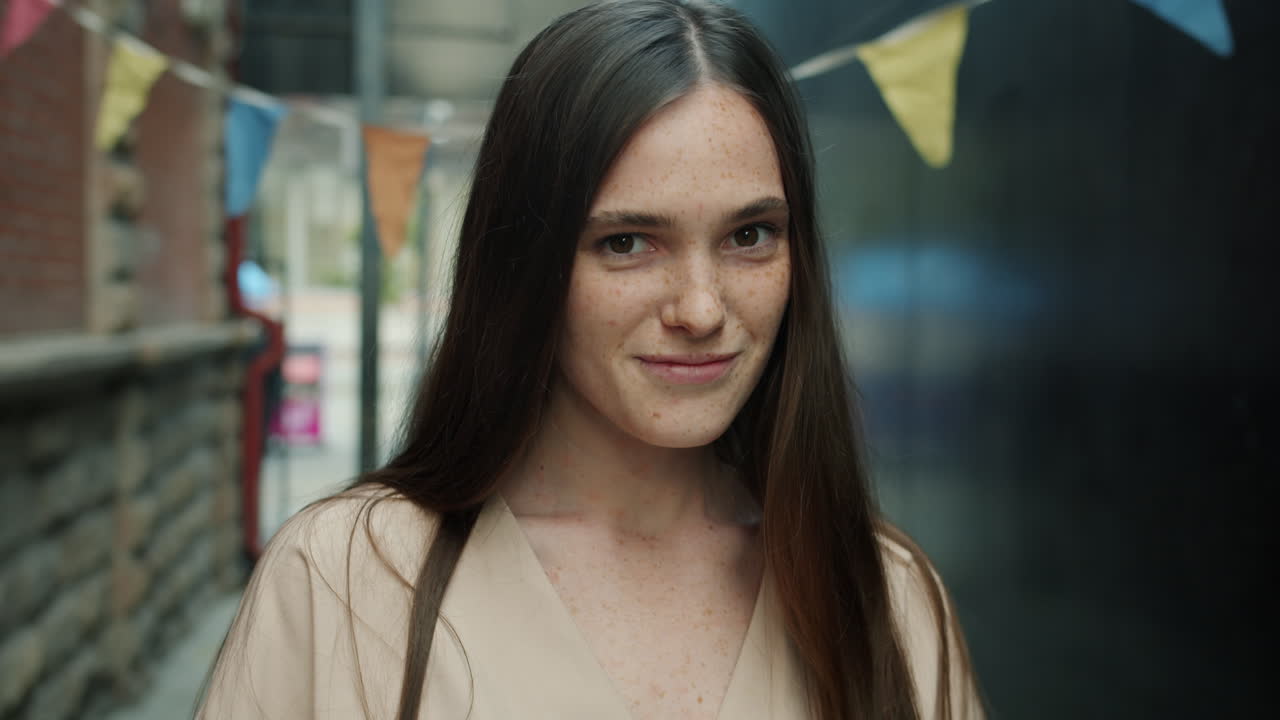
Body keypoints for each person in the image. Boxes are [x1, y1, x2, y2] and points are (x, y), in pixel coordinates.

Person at [198, 1, 984, 718]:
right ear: (524, 266)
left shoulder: (884, 596)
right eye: (628, 242)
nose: (701, 310)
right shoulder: (346, 582)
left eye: (749, 236)